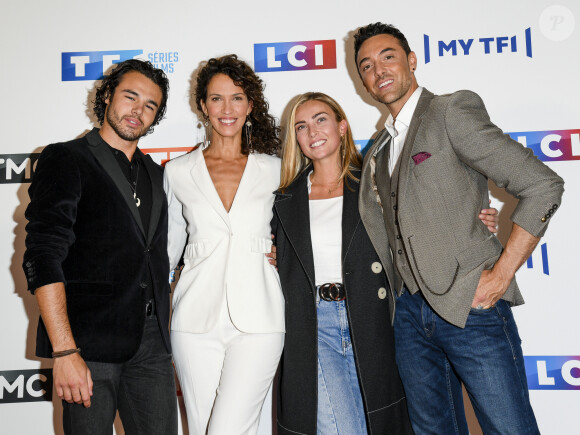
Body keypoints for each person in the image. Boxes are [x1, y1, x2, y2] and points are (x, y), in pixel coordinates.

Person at [353, 22, 565, 434]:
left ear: (411, 61)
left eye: (388, 57)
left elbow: (542, 185)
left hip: (472, 308)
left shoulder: (449, 111)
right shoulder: (377, 149)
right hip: (409, 316)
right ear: (362, 81)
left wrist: (502, 273)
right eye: (366, 65)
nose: (377, 70)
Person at [22, 59, 177, 434]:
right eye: (130, 96)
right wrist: (64, 351)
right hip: (87, 345)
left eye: (150, 105)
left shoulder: (158, 174)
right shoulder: (66, 158)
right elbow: (43, 254)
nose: (138, 110)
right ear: (107, 95)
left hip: (153, 343)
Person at [272, 92, 413, 434]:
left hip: (372, 317)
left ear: (342, 125)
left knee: (377, 421)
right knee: (340, 426)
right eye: (301, 126)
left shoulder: (374, 183)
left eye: (321, 119)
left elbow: (417, 227)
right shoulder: (284, 199)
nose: (313, 131)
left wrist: (477, 219)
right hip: (313, 323)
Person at [165, 54, 285, 435]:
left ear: (250, 105)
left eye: (237, 98)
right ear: (203, 106)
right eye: (216, 99)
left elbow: (304, 230)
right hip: (194, 322)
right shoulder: (178, 171)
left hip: (261, 321)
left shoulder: (277, 168)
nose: (227, 109)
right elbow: (168, 251)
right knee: (201, 428)